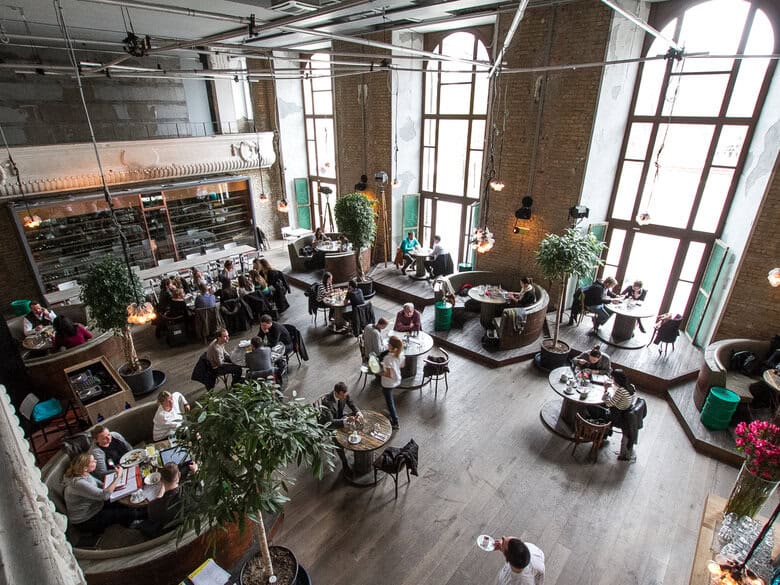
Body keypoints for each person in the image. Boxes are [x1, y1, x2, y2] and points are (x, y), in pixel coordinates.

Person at [63, 453, 144, 534]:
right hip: (85, 519)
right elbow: (104, 496)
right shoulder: (78, 483)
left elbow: (101, 484)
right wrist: (118, 477)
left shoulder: (84, 474)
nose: (96, 461)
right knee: (126, 513)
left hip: (96, 504)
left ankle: (137, 515)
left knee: (125, 503)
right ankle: (134, 522)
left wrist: (117, 483)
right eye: (93, 461)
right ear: (85, 468)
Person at [144, 461, 197, 537]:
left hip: (166, 530)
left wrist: (163, 485)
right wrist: (195, 472)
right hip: (184, 528)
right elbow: (198, 485)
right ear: (179, 475)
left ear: (161, 479)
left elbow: (152, 515)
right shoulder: (190, 493)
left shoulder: (153, 506)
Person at [319, 382, 363, 473]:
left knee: (356, 423)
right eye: (343, 396)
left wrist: (358, 413)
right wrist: (345, 421)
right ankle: (344, 462)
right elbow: (330, 422)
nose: (345, 397)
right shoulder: (326, 402)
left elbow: (351, 404)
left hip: (339, 416)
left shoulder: (344, 394)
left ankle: (357, 449)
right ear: (337, 393)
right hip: (329, 424)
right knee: (337, 441)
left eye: (345, 395)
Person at [381, 336, 404, 430]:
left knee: (390, 402)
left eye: (388, 344)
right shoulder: (401, 354)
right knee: (389, 398)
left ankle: (395, 422)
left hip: (388, 383)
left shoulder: (387, 358)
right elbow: (402, 365)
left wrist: (378, 371)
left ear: (391, 346)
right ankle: (392, 415)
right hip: (396, 380)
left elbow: (388, 374)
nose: (387, 345)